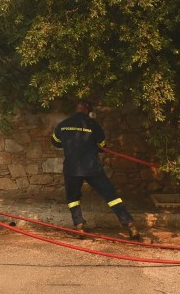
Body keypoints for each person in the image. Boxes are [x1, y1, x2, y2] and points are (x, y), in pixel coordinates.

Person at [51, 100, 141, 240]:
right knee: (111, 196)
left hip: (72, 168)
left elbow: (55, 142)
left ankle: (79, 226)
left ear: (77, 108)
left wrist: (72, 146)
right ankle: (130, 225)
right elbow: (102, 145)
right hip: (92, 168)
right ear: (87, 110)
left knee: (73, 198)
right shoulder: (93, 124)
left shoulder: (63, 125)